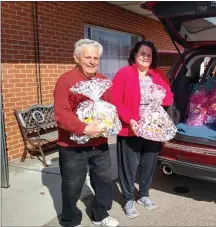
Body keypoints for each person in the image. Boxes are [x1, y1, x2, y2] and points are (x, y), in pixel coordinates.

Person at [54, 39, 119, 227]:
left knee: (104, 181)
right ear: (76, 57)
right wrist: (83, 128)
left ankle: (100, 214)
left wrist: (113, 122)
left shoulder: (104, 81)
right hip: (72, 146)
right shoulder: (66, 80)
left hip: (99, 142)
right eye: (87, 57)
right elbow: (61, 112)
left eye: (96, 58)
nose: (92, 61)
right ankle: (71, 220)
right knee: (72, 185)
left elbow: (111, 107)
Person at [112, 40, 174, 219]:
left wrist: (161, 98)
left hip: (153, 128)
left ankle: (144, 194)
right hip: (130, 127)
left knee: (148, 163)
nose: (146, 57)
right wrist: (129, 119)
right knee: (128, 165)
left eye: (149, 54)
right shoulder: (124, 74)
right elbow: (117, 101)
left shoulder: (158, 75)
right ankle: (128, 198)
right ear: (135, 55)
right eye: (142, 54)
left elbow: (169, 97)